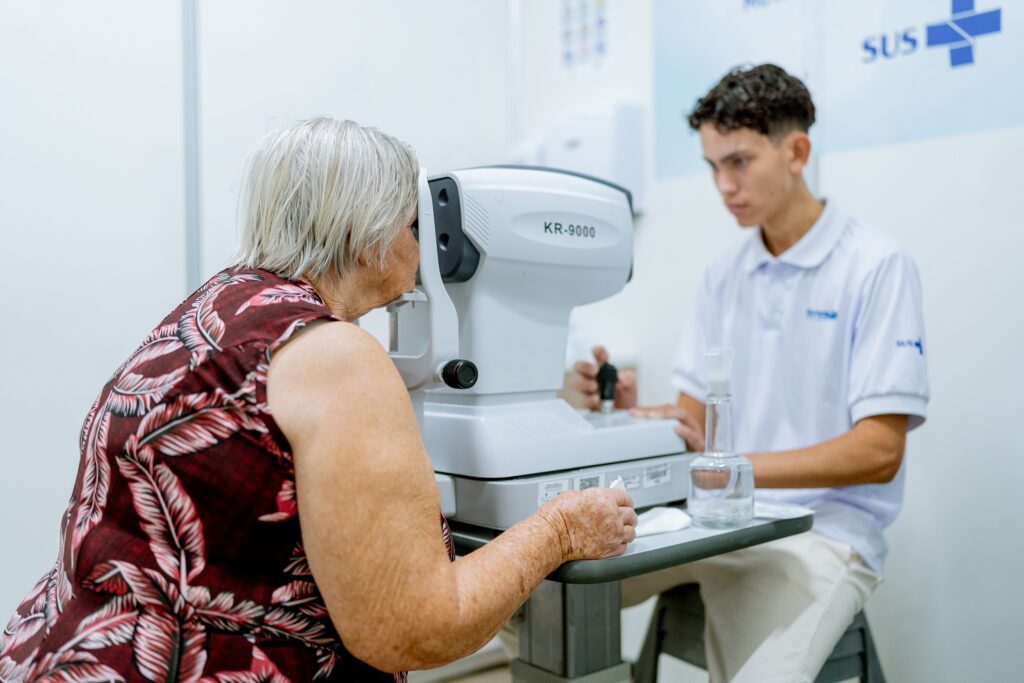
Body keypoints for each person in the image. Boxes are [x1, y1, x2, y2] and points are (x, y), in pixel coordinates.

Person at [0, 118, 637, 682]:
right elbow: (413, 626)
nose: (422, 251)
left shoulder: (218, 309)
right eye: (414, 227)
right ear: (369, 236)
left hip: (67, 651)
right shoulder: (335, 358)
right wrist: (560, 529)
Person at [574, 64, 930, 682]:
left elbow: (879, 452)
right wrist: (635, 412)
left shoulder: (876, 267)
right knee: (539, 589)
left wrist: (733, 469)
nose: (723, 185)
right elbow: (693, 421)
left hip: (822, 533)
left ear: (797, 152)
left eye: (738, 162)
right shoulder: (724, 275)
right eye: (713, 166)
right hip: (711, 521)